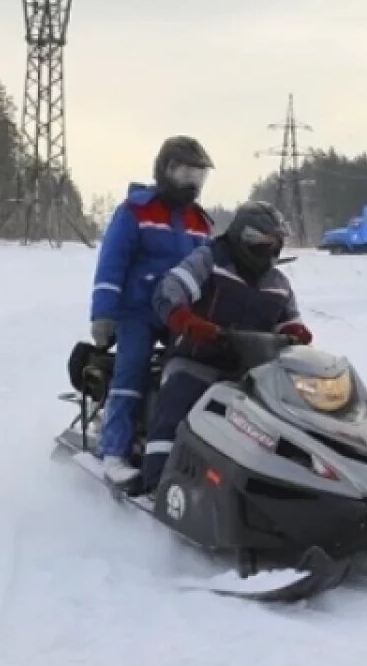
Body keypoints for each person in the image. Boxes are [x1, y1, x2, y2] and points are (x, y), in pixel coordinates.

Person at [141, 200, 313, 494]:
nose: (269, 249)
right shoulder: (209, 261)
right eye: (262, 241)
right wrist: (188, 321)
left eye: (275, 243)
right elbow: (169, 291)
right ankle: (156, 484)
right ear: (243, 237)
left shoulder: (278, 282)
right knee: (177, 401)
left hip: (252, 371)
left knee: (288, 420)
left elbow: (289, 320)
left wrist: (296, 332)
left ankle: (281, 488)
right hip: (197, 359)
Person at [89, 135, 215, 487]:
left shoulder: (200, 222)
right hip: (138, 311)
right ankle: (114, 451)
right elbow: (112, 264)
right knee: (131, 369)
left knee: (195, 373)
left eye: (199, 176)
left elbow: (209, 272)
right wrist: (103, 314)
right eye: (187, 174)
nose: (193, 183)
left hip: (180, 313)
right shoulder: (136, 211)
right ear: (166, 170)